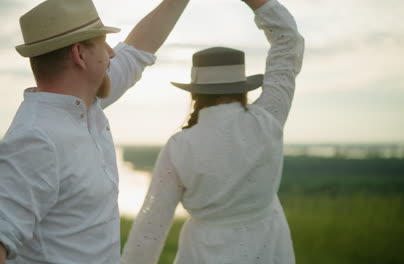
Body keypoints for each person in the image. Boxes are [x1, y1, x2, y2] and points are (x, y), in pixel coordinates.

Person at [0, 0, 190, 263]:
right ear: (79, 55)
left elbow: (137, 50)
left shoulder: (85, 103)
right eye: (103, 44)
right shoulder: (37, 139)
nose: (112, 54)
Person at [120, 0, 305, 263]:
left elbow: (152, 226)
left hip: (204, 251)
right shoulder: (269, 117)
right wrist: (260, 4)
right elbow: (287, 44)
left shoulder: (180, 145)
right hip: (269, 246)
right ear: (242, 86)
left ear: (195, 93)